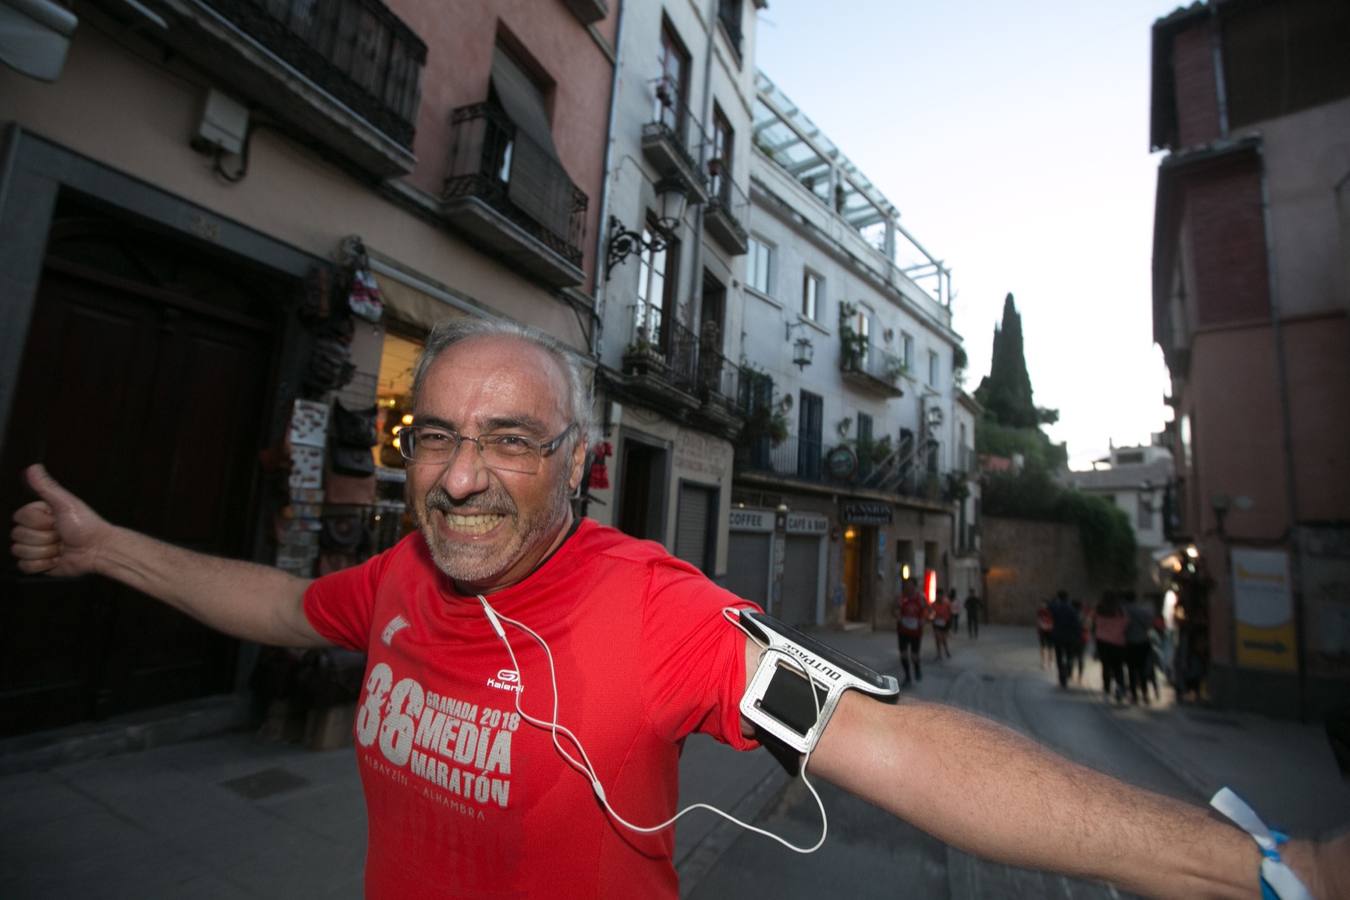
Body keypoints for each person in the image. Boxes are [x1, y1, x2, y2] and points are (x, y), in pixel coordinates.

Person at [11, 318, 1346, 899]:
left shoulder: (650, 609)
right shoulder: (402, 582)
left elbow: (895, 743)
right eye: (433, 436)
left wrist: (1258, 871)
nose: (462, 473)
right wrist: (108, 547)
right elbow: (290, 604)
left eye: (511, 439)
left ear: (583, 469)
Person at [1094, 592, 1129, 704]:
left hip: (1102, 641)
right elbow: (1126, 623)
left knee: (1105, 665)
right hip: (1117, 642)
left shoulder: (1100, 609)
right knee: (1118, 666)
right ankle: (1119, 687)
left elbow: (1095, 623)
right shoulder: (1120, 610)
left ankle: (1106, 687)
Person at [893, 577, 926, 686]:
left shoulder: (920, 599)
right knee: (903, 655)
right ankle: (907, 676)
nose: (909, 588)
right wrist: (897, 614)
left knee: (914, 655)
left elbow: (926, 611)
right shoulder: (901, 599)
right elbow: (895, 610)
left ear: (915, 587)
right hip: (903, 630)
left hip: (916, 632)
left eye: (911, 585)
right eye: (907, 586)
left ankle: (917, 668)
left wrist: (923, 620)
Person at [1048, 589, 1081, 690]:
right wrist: (1077, 636)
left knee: (1059, 656)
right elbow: (1076, 624)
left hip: (1058, 636)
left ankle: (1061, 675)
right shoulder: (1072, 609)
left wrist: (1054, 599)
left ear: (1059, 597)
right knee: (1069, 656)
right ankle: (1067, 670)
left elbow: (1050, 605)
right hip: (1070, 637)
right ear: (1067, 597)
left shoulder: (1055, 608)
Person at [930, 589, 952, 661]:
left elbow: (950, 613)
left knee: (943, 639)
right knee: (937, 638)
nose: (939, 597)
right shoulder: (933, 604)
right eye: (938, 595)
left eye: (941, 595)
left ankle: (946, 650)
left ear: (943, 596)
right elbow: (931, 613)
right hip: (936, 623)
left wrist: (949, 623)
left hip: (944, 623)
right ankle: (939, 654)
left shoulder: (946, 604)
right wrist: (932, 618)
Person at [1036, 598, 1055, 670]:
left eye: (1043, 604)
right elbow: (1038, 620)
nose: (1042, 605)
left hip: (1050, 631)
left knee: (1051, 647)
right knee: (1043, 647)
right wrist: (1041, 626)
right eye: (1041, 604)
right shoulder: (1040, 611)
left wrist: (1048, 626)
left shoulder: (1051, 612)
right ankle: (1043, 662)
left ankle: (1051, 661)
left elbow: (1054, 621)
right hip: (1042, 631)